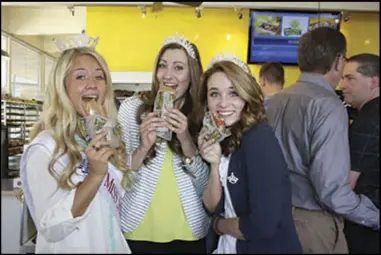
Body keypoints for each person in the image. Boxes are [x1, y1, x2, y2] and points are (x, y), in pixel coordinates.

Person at [266, 26, 380, 253]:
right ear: (338, 62)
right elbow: (332, 191)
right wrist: (373, 216)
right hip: (311, 224)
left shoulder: (274, 101)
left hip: (272, 214)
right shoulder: (329, 106)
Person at [19, 34, 132, 253]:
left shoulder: (103, 137)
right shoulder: (44, 149)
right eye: (81, 77)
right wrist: (95, 176)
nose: (92, 84)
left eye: (99, 77)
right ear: (62, 87)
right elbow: (51, 228)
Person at [196, 53, 302, 253]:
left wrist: (218, 225)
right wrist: (214, 164)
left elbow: (262, 225)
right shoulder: (222, 137)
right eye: (214, 94)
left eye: (233, 93)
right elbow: (211, 206)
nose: (223, 103)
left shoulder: (259, 139)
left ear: (246, 95)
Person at [118, 34, 209, 253]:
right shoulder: (132, 109)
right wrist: (143, 147)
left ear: (192, 75)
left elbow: (206, 186)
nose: (168, 75)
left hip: (189, 231)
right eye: (162, 66)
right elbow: (120, 171)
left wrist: (186, 138)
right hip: (137, 227)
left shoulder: (202, 115)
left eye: (179, 68)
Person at [340, 53, 380, 254]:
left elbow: (347, 183)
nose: (343, 85)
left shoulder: (368, 119)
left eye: (350, 78)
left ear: (373, 81)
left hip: (366, 227)